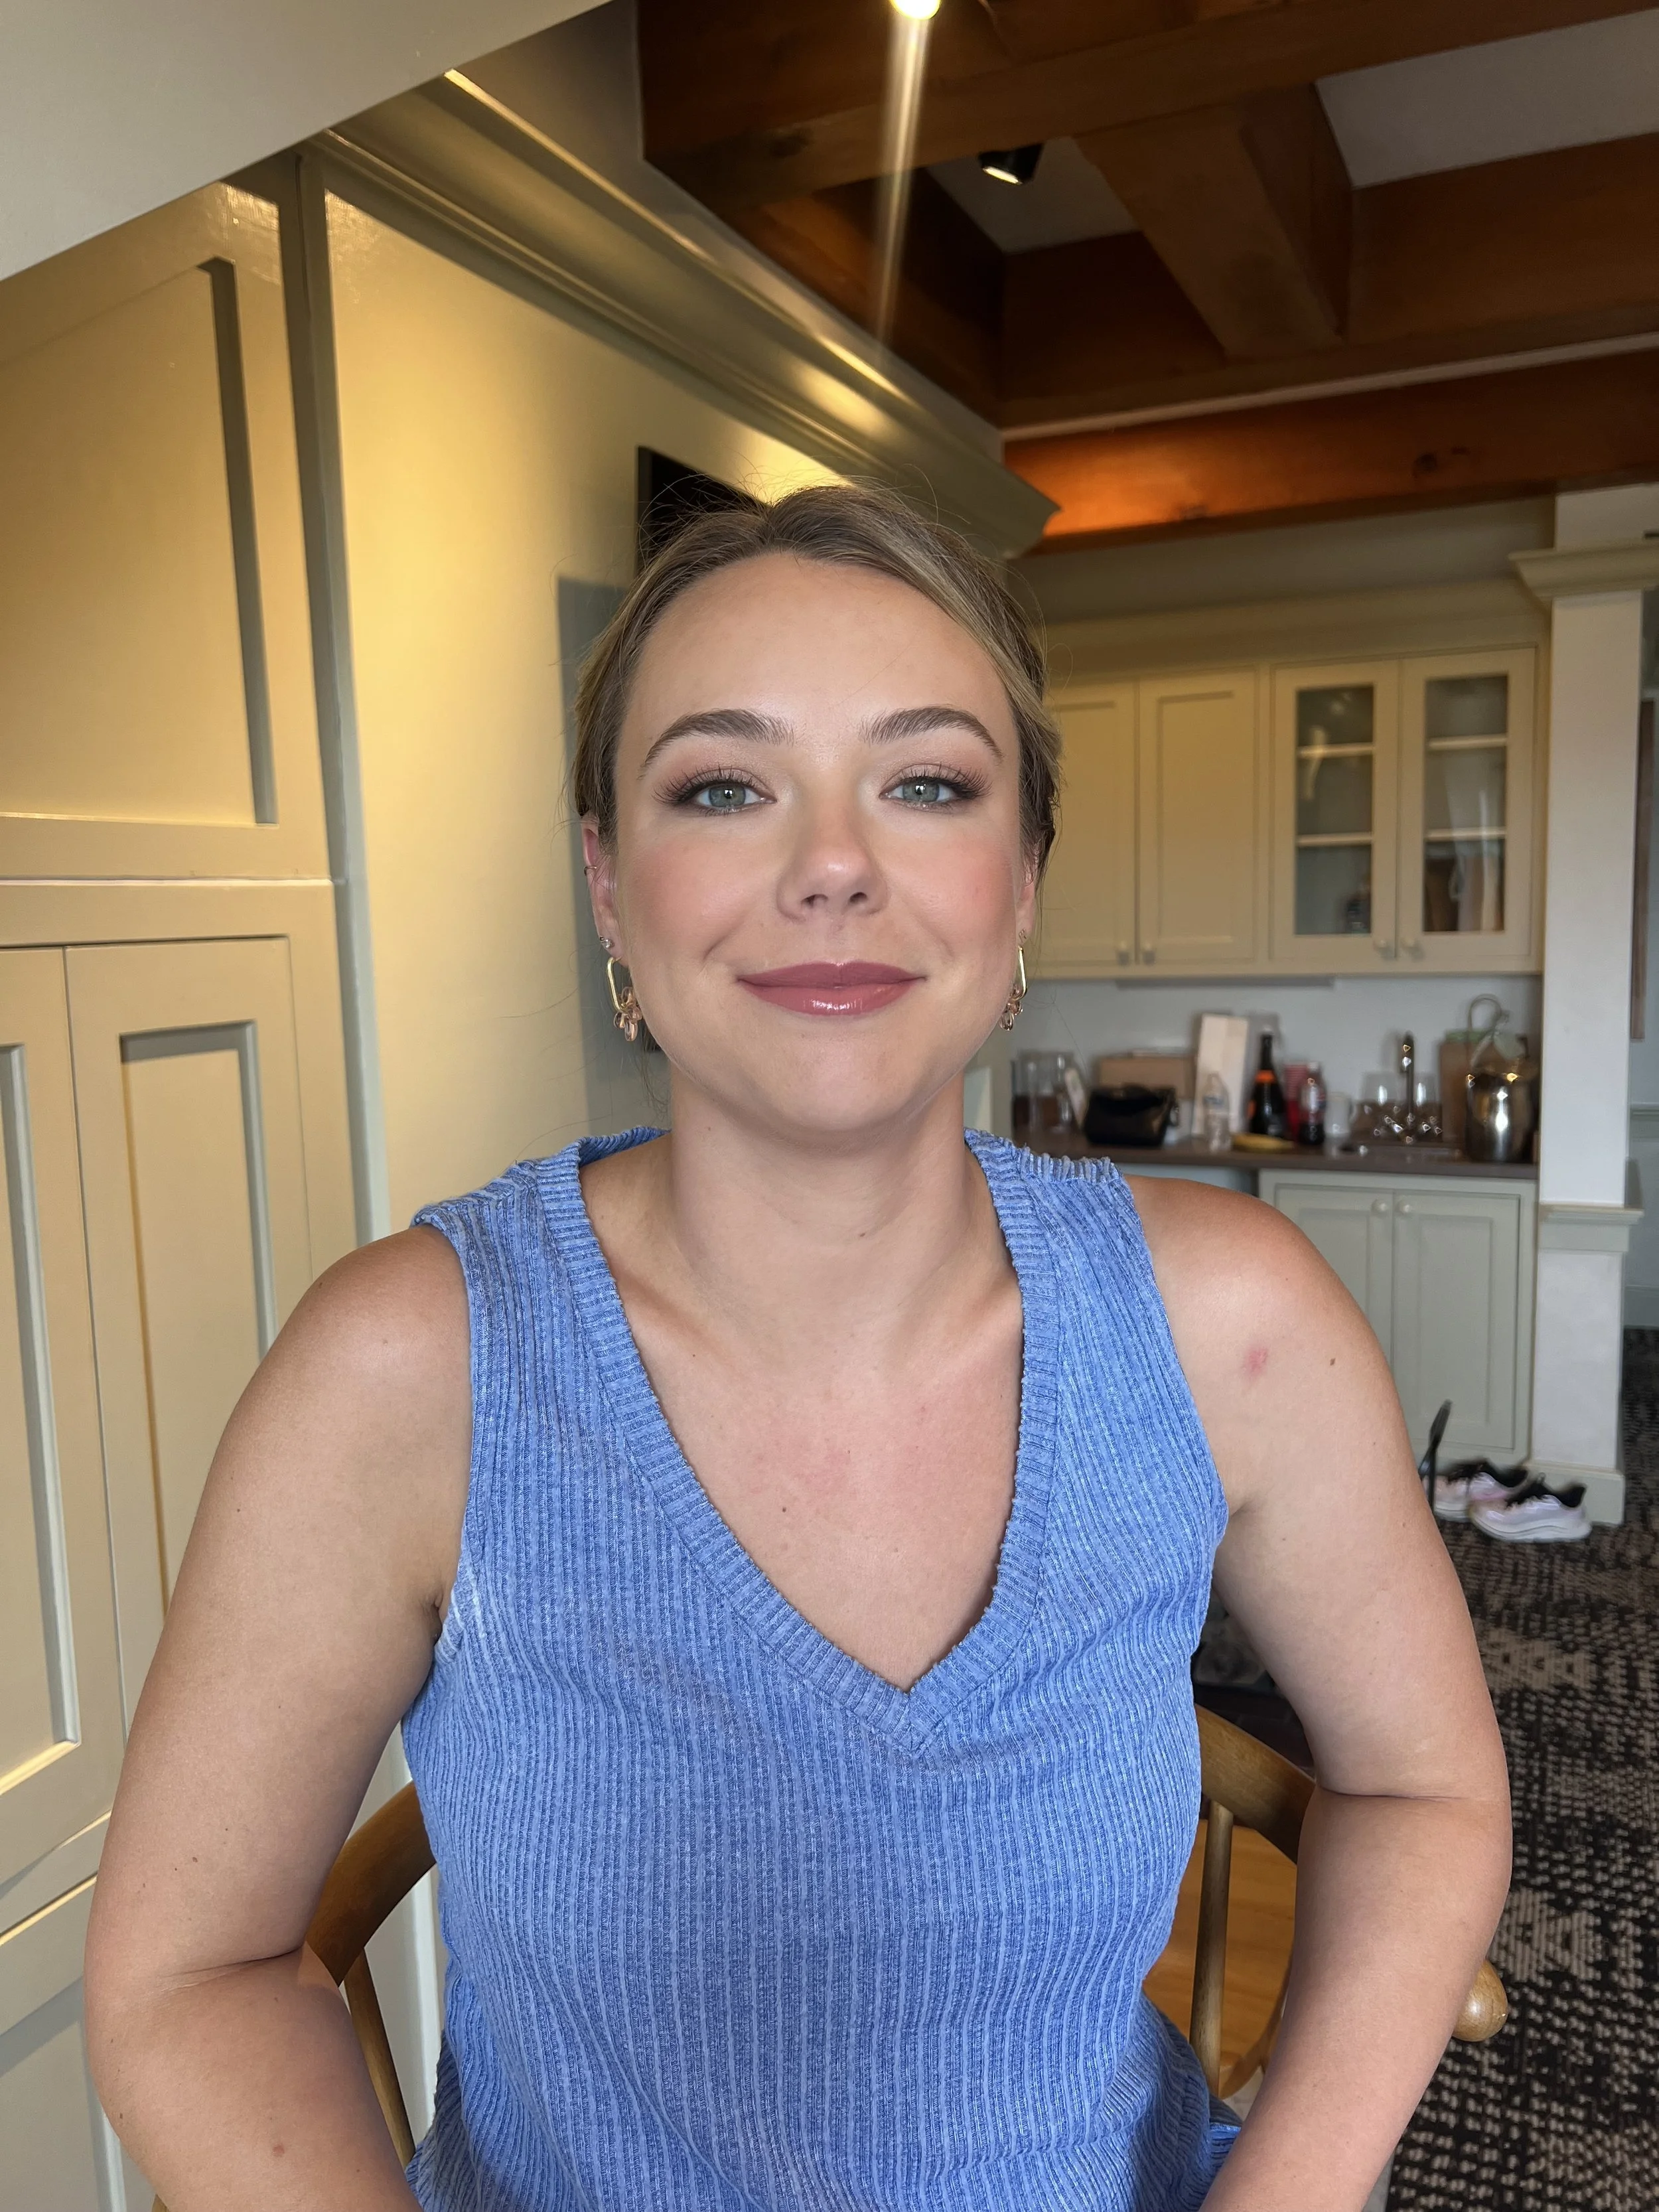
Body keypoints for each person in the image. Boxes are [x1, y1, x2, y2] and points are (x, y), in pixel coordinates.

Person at [86, 484, 1510, 2212]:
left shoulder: (1233, 1325)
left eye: (926, 783)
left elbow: (1421, 1787)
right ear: (608, 888)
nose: (833, 862)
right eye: (722, 786)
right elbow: (192, 1975)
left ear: (1022, 882)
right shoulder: (412, 1369)